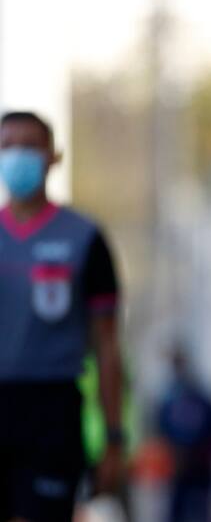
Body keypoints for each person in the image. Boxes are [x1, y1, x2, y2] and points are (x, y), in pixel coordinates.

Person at [0, 111, 125, 521]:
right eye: (7, 145)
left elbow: (107, 344)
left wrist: (113, 438)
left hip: (52, 412)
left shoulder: (84, 238)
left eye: (29, 145)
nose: (17, 155)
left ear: (53, 156)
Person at [157, 347, 211, 522]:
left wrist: (204, 455)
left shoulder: (198, 397)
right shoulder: (169, 399)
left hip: (200, 473)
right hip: (179, 474)